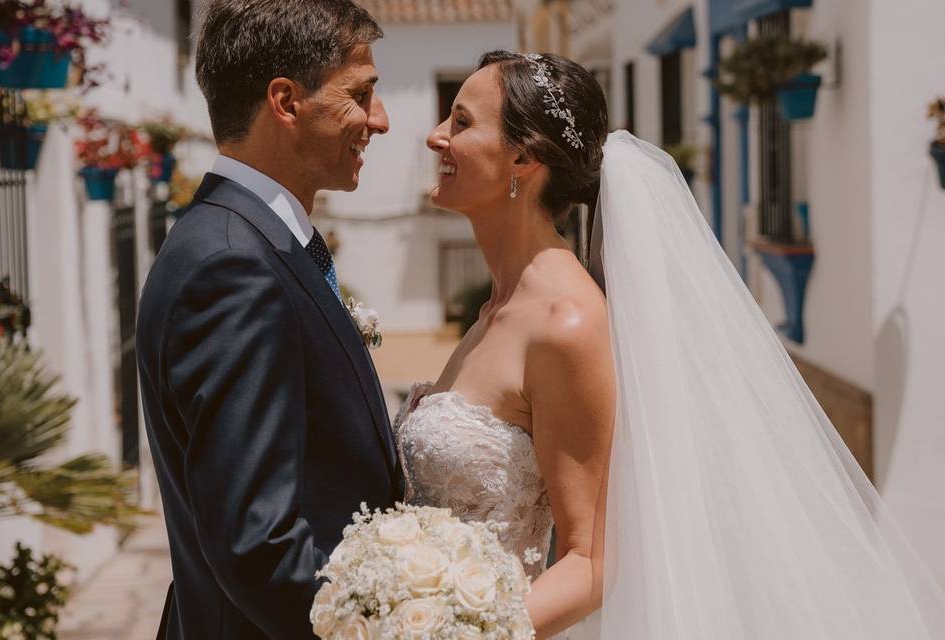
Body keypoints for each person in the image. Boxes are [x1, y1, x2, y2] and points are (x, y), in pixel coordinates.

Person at [396, 50, 945, 639]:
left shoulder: (565, 323)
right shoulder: (494, 308)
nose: (435, 138)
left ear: (523, 158)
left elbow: (590, 562)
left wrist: (456, 633)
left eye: (460, 122)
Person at [135, 2, 400, 638]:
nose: (381, 121)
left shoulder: (246, 240)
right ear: (285, 102)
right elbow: (260, 548)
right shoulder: (233, 266)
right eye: (360, 94)